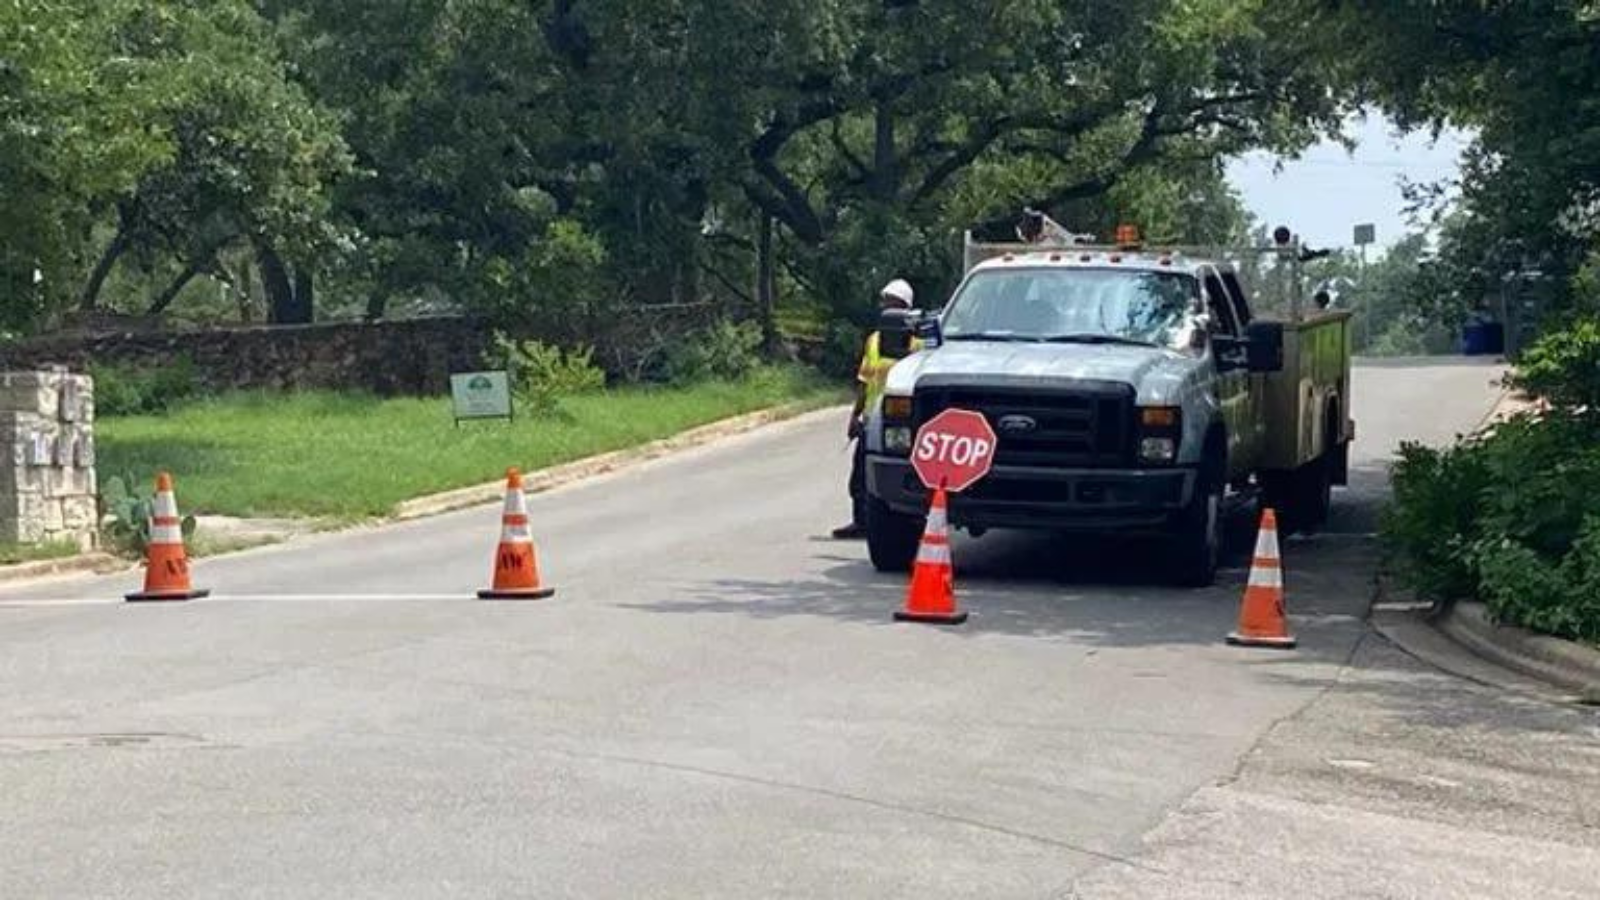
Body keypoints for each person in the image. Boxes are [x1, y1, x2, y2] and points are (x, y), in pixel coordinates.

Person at [832, 278, 918, 540]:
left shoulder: (919, 343)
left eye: (891, 303)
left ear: (904, 307)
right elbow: (865, 380)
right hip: (872, 420)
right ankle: (861, 522)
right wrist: (854, 415)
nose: (885, 308)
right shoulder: (874, 340)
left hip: (902, 422)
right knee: (859, 476)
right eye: (884, 303)